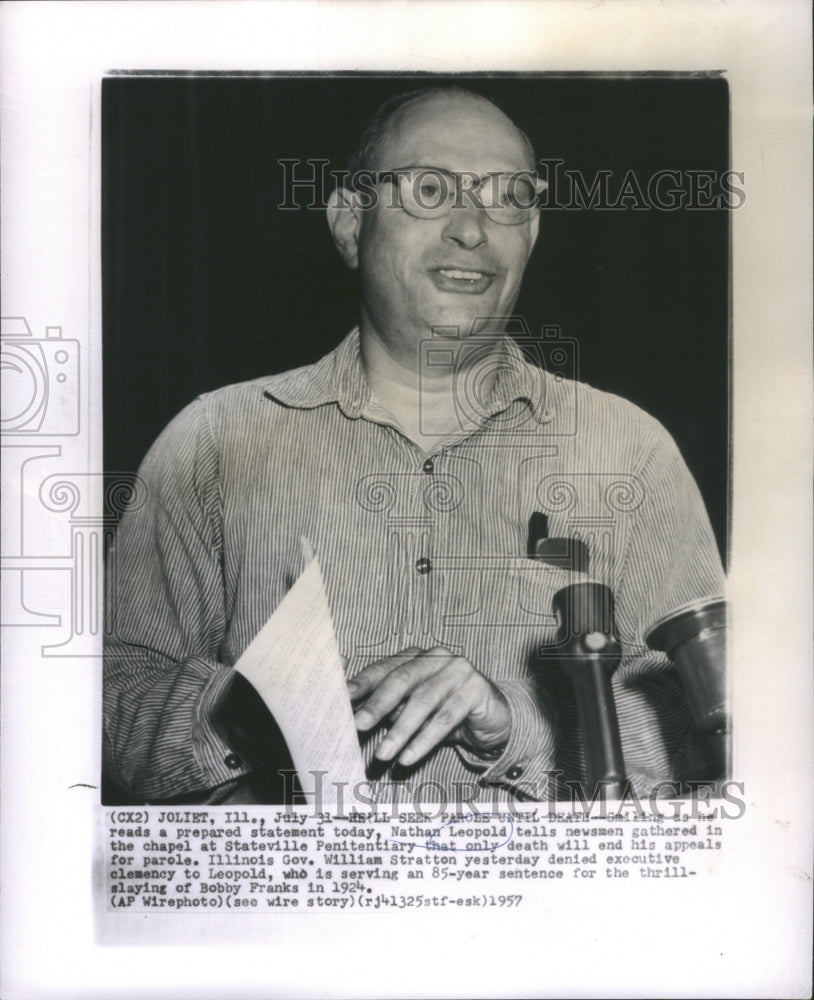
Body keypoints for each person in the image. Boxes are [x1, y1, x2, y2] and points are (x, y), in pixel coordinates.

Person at [103, 86, 725, 806]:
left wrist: (516, 722)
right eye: (430, 190)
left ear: (533, 231)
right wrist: (269, 712)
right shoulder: (212, 440)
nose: (472, 228)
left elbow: (706, 729)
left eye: (509, 196)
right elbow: (111, 688)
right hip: (299, 910)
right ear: (348, 222)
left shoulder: (630, 448)